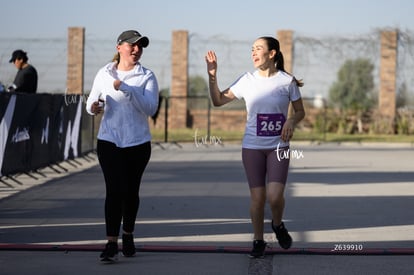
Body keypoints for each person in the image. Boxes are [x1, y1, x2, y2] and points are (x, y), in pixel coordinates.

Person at [205, 36, 305, 258]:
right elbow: (218, 100)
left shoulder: (286, 81)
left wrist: (290, 120)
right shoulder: (246, 80)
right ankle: (258, 240)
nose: (253, 53)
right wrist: (212, 76)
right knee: (258, 198)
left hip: (278, 147)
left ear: (272, 54)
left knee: (275, 196)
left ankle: (278, 225)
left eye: (258, 49)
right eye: (252, 49)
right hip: (252, 147)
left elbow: (300, 111)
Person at [86, 30, 159, 263]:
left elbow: (150, 108)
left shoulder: (147, 76)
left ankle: (128, 234)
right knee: (114, 191)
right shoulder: (104, 73)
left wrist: (127, 88)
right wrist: (94, 107)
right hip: (109, 140)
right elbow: (91, 100)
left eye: (140, 46)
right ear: (120, 47)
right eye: (132, 45)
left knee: (130, 192)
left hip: (137, 143)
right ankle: (110, 243)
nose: (136, 50)